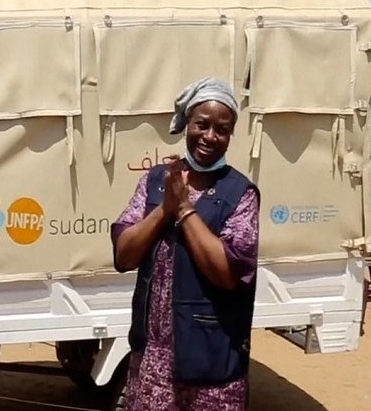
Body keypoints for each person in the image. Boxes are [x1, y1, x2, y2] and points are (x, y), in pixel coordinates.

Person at [110, 77, 260, 410]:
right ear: (187, 125)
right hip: (153, 361)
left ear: (230, 136)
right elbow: (124, 255)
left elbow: (226, 273)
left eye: (221, 130)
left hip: (211, 360)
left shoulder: (240, 194)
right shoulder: (156, 181)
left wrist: (184, 209)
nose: (209, 136)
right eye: (202, 125)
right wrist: (165, 209)